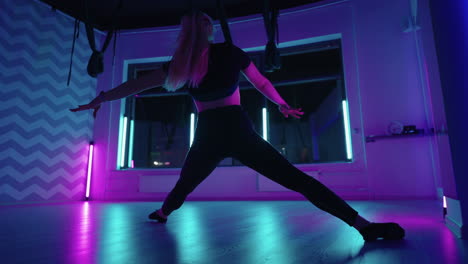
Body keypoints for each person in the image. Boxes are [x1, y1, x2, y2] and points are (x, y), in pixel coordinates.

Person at [70, 10, 405, 242]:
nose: (207, 28)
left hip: (224, 129)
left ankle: (363, 226)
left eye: (205, 24)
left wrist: (281, 103)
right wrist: (103, 97)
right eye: (204, 24)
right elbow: (138, 85)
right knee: (188, 184)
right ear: (200, 31)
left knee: (290, 180)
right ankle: (162, 211)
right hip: (219, 129)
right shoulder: (191, 61)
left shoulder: (209, 57)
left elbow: (259, 82)